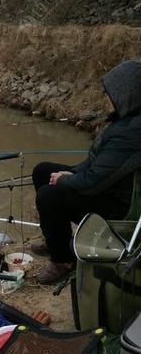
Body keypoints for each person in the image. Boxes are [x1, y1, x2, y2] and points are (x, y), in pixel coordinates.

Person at [32, 60, 141, 284]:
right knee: (43, 171)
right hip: (108, 185)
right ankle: (57, 239)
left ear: (127, 93)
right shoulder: (128, 118)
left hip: (121, 207)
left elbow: (92, 183)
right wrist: (67, 173)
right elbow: (96, 163)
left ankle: (63, 260)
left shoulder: (132, 133)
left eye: (110, 93)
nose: (107, 98)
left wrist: (65, 180)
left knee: (48, 195)